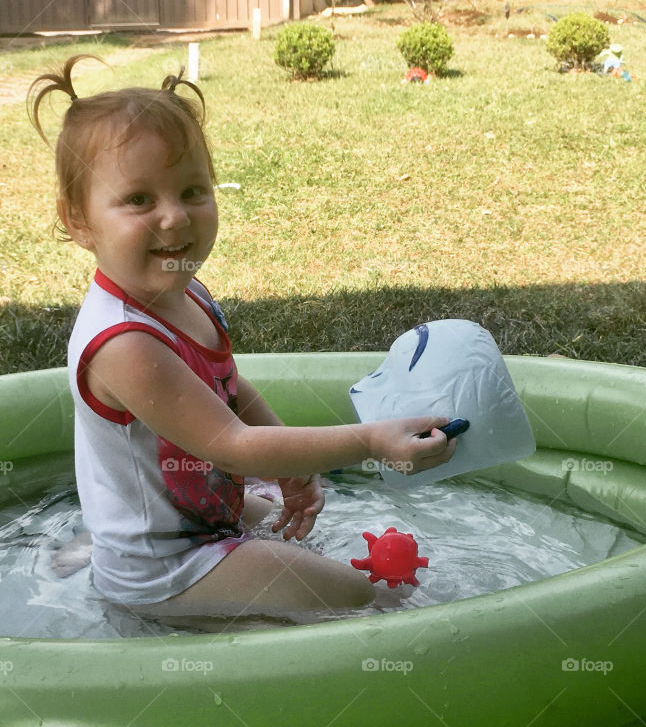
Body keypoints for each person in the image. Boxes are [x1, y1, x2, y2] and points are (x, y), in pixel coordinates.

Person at [28, 56, 456, 628]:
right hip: (165, 568)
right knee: (363, 597)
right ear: (79, 221)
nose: (175, 217)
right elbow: (229, 443)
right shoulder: (125, 344)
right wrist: (371, 440)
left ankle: (101, 540)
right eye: (138, 200)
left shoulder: (184, 293)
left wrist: (288, 462)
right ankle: (114, 566)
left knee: (294, 532)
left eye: (192, 190)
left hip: (198, 515)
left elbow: (231, 389)